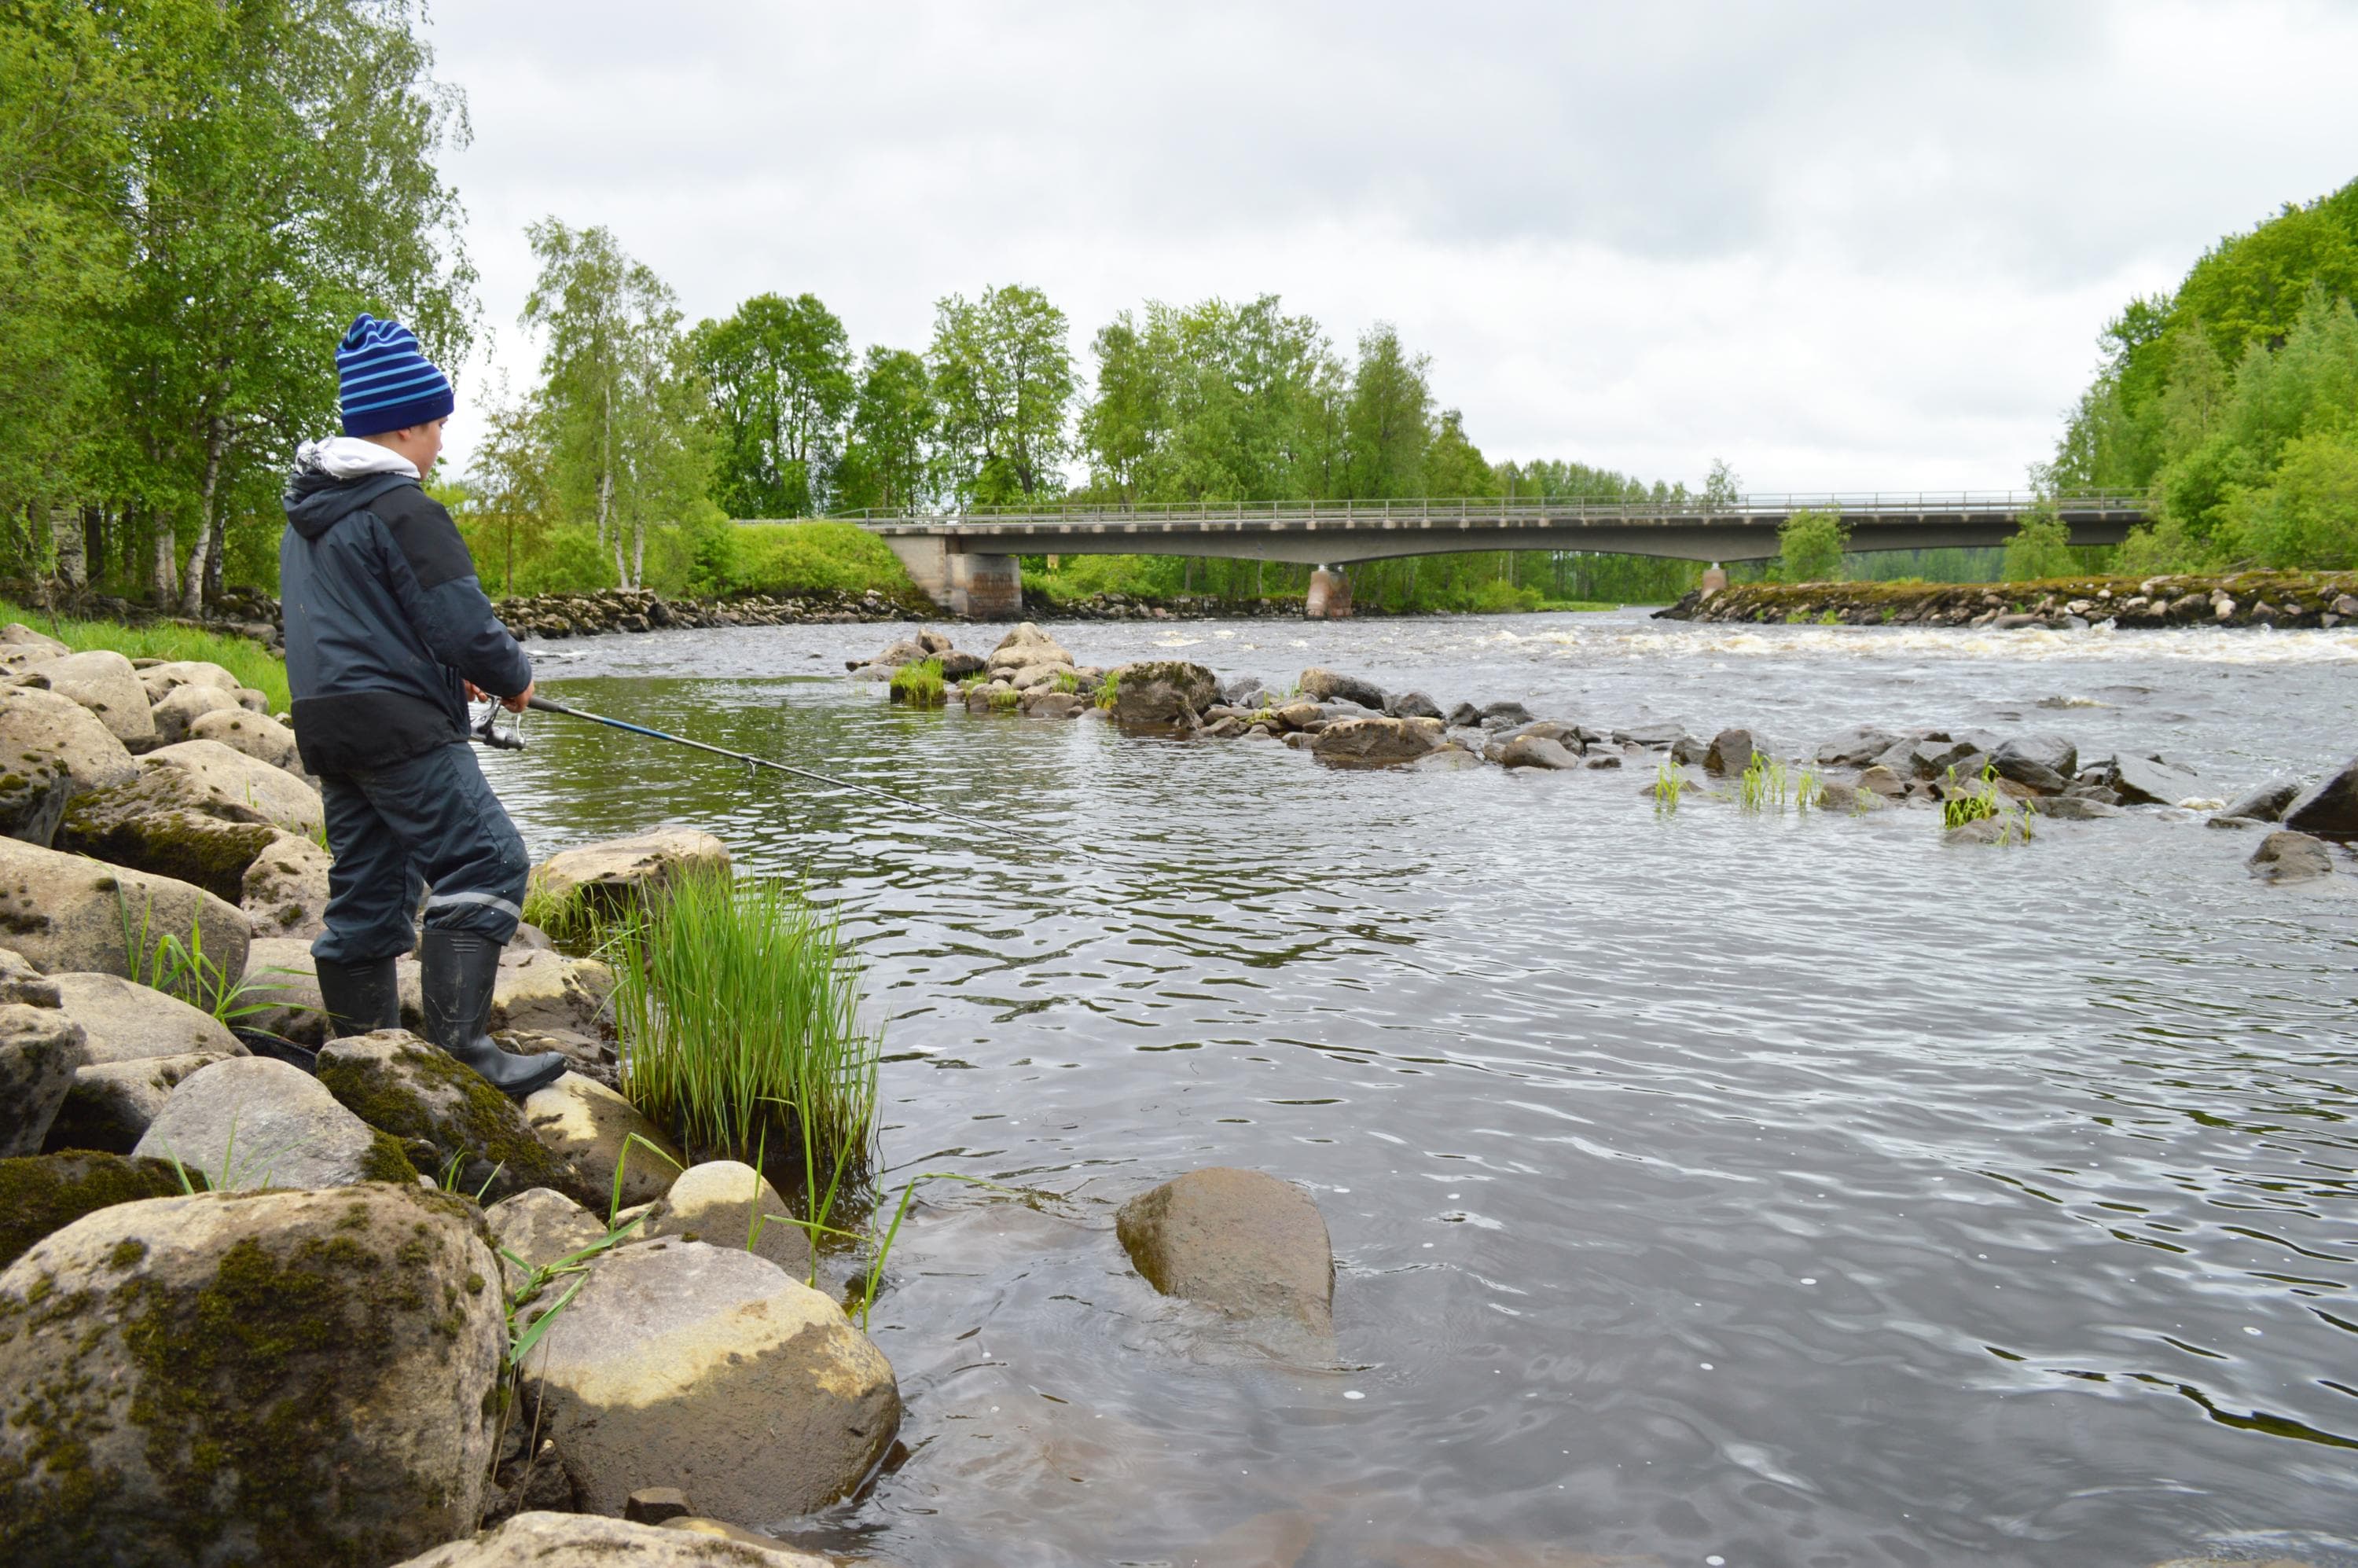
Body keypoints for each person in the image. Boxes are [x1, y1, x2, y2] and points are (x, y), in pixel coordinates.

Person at [278, 313, 565, 1097]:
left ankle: (365, 1060)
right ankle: (464, 1055)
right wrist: (511, 674)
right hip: (398, 728)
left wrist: (445, 674)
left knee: (370, 889)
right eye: (437, 425)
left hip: (328, 724)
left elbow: (365, 623)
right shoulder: (403, 509)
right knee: (490, 859)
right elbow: (464, 624)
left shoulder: (310, 516)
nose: (441, 441)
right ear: (405, 427)